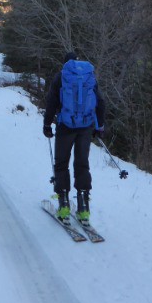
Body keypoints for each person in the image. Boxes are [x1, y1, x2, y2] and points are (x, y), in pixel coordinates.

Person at [42, 51, 106, 225]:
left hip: (66, 127)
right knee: (82, 163)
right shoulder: (88, 76)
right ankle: (84, 208)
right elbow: (100, 102)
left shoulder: (61, 76)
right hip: (86, 127)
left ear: (65, 63)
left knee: (62, 163)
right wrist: (99, 127)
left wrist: (47, 125)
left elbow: (51, 103)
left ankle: (63, 205)